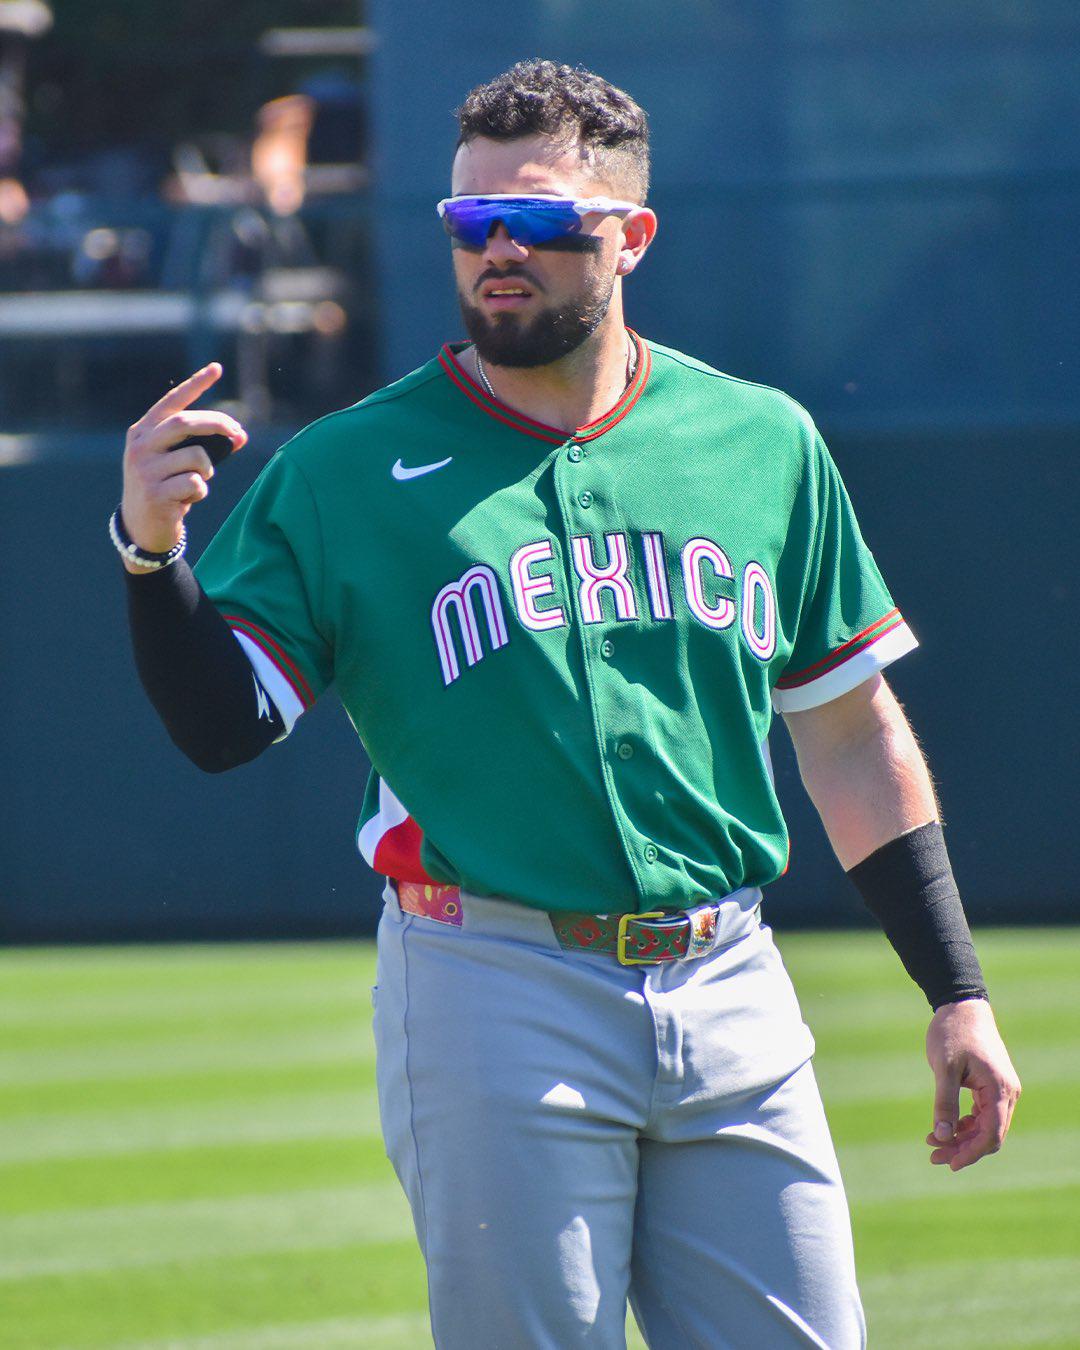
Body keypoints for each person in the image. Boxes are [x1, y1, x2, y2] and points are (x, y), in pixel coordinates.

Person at [114, 59, 1020, 1350]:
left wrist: (956, 990)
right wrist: (152, 557)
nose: (497, 248)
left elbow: (849, 734)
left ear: (630, 236)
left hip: (732, 979)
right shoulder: (348, 467)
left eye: (535, 219)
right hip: (494, 979)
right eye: (469, 220)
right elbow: (223, 726)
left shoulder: (760, 441)